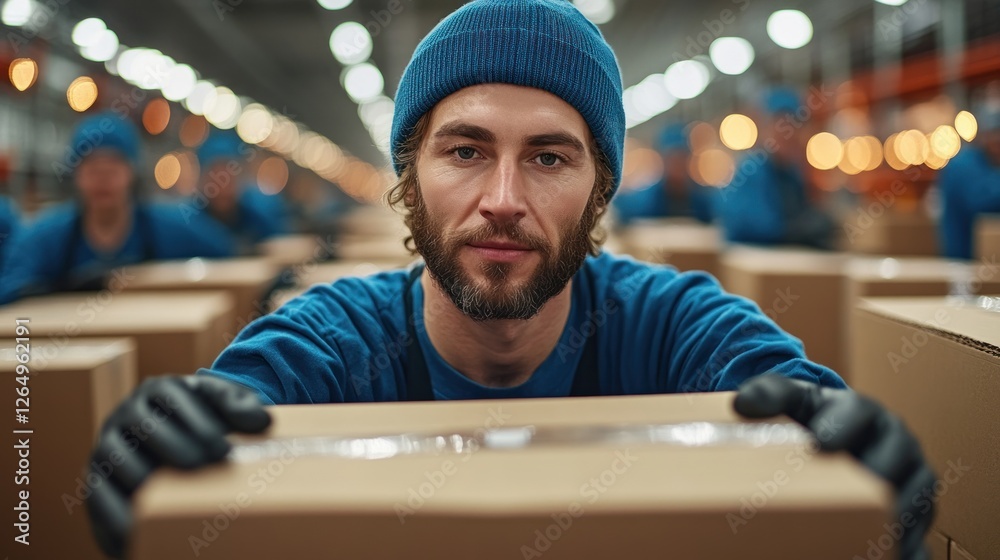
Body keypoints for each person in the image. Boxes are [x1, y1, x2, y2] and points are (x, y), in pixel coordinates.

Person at [84, 2, 936, 559]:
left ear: (601, 187)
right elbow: (241, 396)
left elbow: (781, 387)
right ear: (409, 176)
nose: (502, 201)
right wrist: (160, 448)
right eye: (464, 150)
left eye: (549, 157)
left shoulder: (667, 322)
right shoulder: (335, 340)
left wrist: (853, 456)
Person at [0, 112, 235, 305]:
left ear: (132, 172)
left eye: (113, 169)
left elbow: (230, 262)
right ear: (75, 175)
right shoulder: (47, 237)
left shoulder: (170, 228)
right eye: (92, 169)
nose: (103, 180)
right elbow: (10, 292)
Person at [719, 88, 837, 249]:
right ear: (767, 128)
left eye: (794, 126)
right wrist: (797, 230)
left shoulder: (793, 174)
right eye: (782, 126)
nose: (788, 134)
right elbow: (751, 226)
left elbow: (806, 213)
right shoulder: (752, 169)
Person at [184, 129, 289, 254]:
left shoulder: (257, 219)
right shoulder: (188, 223)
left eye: (229, 178)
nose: (222, 188)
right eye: (214, 175)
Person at [612, 123, 717, 224]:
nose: (677, 165)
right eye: (672, 158)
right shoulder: (645, 201)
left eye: (682, 158)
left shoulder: (702, 202)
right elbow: (622, 211)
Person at [938, 97, 1000, 259]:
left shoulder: (989, 165)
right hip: (962, 261)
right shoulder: (963, 165)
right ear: (985, 136)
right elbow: (981, 200)